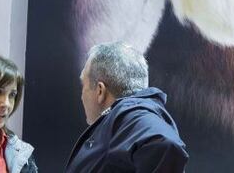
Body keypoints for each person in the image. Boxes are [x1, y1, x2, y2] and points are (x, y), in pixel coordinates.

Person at [66, 42, 188, 172]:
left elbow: (165, 143)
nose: (81, 95)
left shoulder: (131, 117)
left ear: (100, 90)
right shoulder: (123, 122)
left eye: (83, 85)